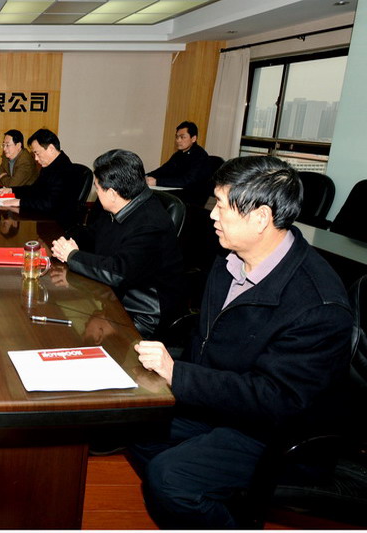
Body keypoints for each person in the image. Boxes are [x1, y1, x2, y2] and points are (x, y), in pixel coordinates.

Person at [130, 156, 352, 529]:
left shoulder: (318, 304)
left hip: (276, 434)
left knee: (170, 480)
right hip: (223, 404)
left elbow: (276, 400)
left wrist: (178, 374)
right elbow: (206, 341)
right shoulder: (230, 259)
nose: (212, 215)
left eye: (221, 205)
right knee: (134, 426)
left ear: (261, 218)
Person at [51, 149, 184, 339]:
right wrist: (63, 241)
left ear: (113, 193)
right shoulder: (120, 205)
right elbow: (94, 234)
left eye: (97, 188)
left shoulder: (151, 223)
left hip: (141, 313)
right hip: (114, 296)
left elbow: (118, 272)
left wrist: (72, 256)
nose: (96, 192)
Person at [0, 128, 81, 231]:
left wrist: (20, 202)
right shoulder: (50, 166)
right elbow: (35, 189)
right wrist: (12, 190)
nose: (36, 159)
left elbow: (50, 204)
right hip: (44, 222)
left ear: (51, 149)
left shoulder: (65, 170)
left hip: (57, 228)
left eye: (37, 153)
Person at [145, 120, 209, 188]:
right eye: (177, 137)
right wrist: (146, 176)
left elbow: (187, 181)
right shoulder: (179, 154)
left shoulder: (200, 156)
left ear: (193, 138)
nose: (178, 140)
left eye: (182, 137)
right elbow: (163, 170)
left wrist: (157, 182)